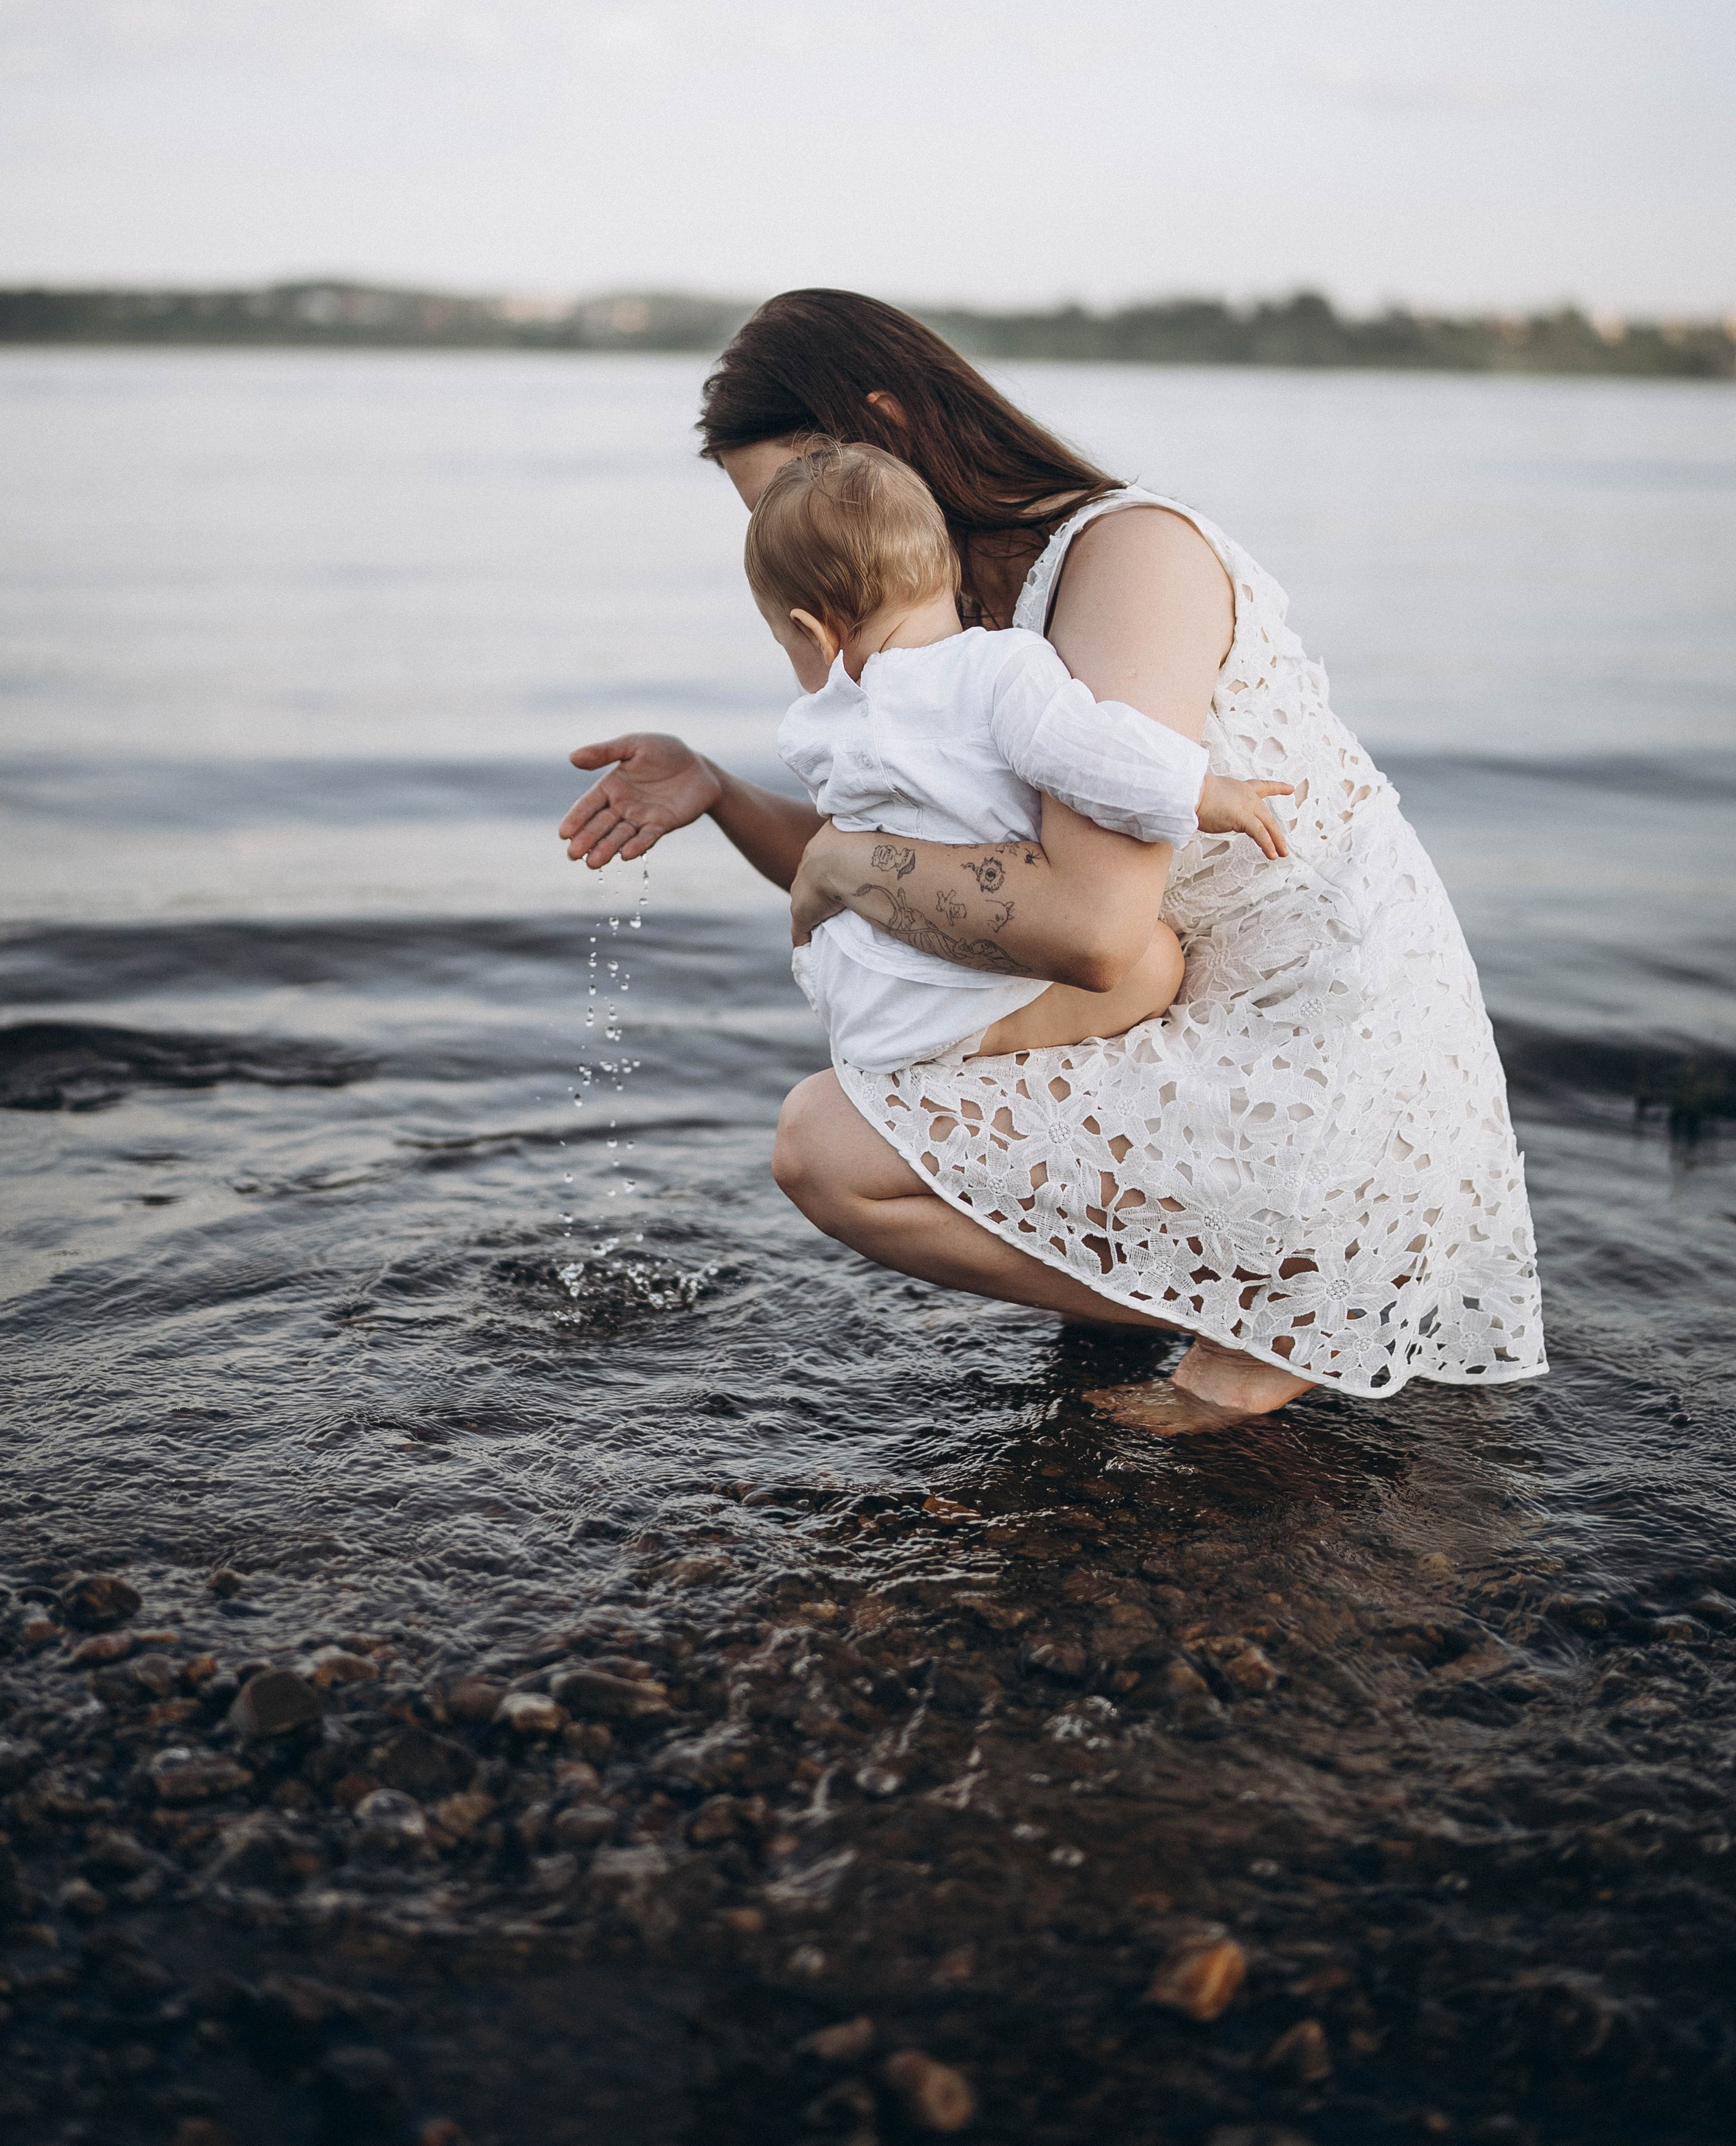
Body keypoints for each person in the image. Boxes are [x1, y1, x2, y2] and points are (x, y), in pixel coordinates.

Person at [559, 290, 1545, 1428]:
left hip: (1324, 1048)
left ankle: (1279, 1316)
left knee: (827, 1142)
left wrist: (840, 863)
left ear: (888, 427)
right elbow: (906, 880)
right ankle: (1175, 1298)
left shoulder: (1128, 558)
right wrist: (722, 794)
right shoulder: (949, 631)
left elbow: (1086, 930)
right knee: (927, 1014)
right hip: (1182, 1002)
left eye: (794, 487)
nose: (799, 538)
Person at [746, 435, 1295, 1069]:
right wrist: (1197, 791)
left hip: (864, 997)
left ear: (816, 633)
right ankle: (1000, 1043)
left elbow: (848, 831)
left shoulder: (816, 727)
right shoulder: (999, 667)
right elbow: (1086, 752)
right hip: (954, 1000)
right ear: (947, 563)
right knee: (1158, 961)